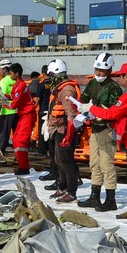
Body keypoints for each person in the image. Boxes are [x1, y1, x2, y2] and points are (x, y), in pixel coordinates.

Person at [82, 62, 127, 223]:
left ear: (126, 77)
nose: (119, 78)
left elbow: (112, 113)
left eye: (121, 75)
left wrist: (92, 108)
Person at [75, 52, 123, 211]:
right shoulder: (92, 84)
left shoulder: (114, 88)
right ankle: (94, 197)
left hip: (107, 129)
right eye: (96, 70)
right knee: (94, 163)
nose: (98, 73)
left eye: (101, 71)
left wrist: (97, 111)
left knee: (106, 164)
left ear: (109, 71)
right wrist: (82, 110)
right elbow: (84, 99)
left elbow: (114, 111)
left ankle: (111, 200)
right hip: (94, 129)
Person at [45, 59, 80, 202]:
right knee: (59, 160)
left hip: (65, 130)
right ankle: (62, 186)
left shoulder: (66, 90)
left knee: (66, 161)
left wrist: (69, 135)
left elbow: (71, 115)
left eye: (51, 75)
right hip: (58, 129)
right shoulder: (59, 88)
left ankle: (71, 192)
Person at [5, 63, 36, 175]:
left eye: (11, 73)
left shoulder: (21, 85)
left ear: (17, 74)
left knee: (21, 140)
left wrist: (2, 104)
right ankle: (22, 164)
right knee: (17, 138)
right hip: (23, 115)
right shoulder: (18, 85)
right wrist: (5, 97)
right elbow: (14, 96)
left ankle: (24, 167)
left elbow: (14, 105)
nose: (10, 75)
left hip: (27, 115)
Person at [0, 58, 16, 156]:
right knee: (16, 134)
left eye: (0, 69)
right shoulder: (17, 80)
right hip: (17, 111)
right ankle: (19, 154)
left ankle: (0, 153)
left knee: (3, 134)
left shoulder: (4, 81)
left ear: (5, 69)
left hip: (6, 111)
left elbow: (1, 96)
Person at [35, 64, 53, 160]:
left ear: (42, 73)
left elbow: (37, 99)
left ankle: (42, 151)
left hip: (42, 110)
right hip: (52, 111)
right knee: (50, 131)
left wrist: (33, 107)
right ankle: (51, 150)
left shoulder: (41, 84)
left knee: (42, 131)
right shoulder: (54, 83)